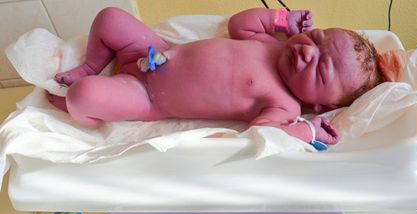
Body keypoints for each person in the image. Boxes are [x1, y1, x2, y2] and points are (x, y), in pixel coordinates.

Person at [47, 7, 385, 146]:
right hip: (152, 51)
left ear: (320, 103)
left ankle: (83, 113)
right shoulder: (270, 45)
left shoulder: (285, 105)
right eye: (318, 37)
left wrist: (307, 129)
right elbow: (242, 23)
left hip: (147, 95)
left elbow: (262, 135)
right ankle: (92, 64)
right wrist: (283, 20)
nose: (309, 50)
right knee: (110, 17)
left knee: (83, 95)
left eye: (321, 67)